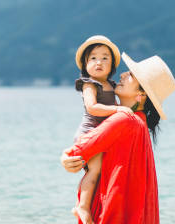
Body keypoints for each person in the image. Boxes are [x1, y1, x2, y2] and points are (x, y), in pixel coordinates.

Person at [61, 53, 175, 224]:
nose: (122, 74)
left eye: (131, 75)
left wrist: (64, 157)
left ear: (141, 95)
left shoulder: (124, 120)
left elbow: (77, 153)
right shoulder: (140, 123)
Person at [71, 35, 134, 224]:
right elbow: (92, 108)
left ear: (112, 66)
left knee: (99, 173)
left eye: (105, 58)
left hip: (103, 134)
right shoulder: (90, 84)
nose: (99, 62)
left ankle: (91, 205)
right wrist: (117, 109)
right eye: (93, 58)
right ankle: (81, 207)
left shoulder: (112, 85)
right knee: (94, 171)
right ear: (85, 64)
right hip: (89, 132)